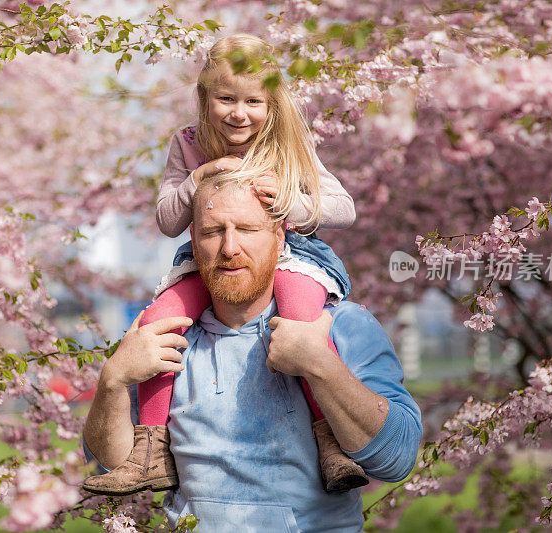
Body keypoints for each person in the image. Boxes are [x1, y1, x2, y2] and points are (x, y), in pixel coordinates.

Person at [83, 33, 363, 496]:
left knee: (299, 323)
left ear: (271, 104)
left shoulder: (287, 141)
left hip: (293, 255)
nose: (240, 112)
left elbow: (344, 208)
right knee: (156, 324)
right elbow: (168, 220)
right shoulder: (189, 142)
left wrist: (293, 202)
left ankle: (329, 439)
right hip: (207, 257)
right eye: (226, 98)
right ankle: (150, 449)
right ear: (204, 98)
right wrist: (196, 180)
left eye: (254, 100)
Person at [82, 175, 423, 532]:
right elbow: (110, 463)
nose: (230, 247)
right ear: (194, 244)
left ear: (279, 238)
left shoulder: (341, 326)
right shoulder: (165, 338)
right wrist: (112, 379)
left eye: (246, 228)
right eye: (213, 232)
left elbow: (396, 461)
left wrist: (320, 365)